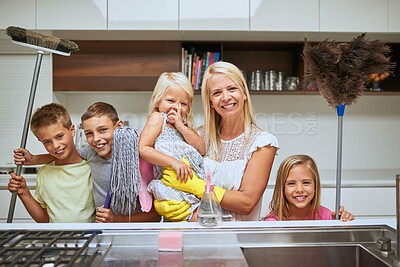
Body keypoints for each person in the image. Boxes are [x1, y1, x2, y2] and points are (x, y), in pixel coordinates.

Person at [158, 61, 279, 221]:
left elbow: (246, 204)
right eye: (216, 93)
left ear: (244, 93)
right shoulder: (196, 137)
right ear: (211, 102)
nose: (226, 97)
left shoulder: (262, 143)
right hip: (195, 236)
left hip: (237, 240)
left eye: (232, 89)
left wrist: (199, 187)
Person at [13, 102, 160, 223]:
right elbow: (65, 154)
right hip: (102, 236)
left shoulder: (139, 159)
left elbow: (154, 216)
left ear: (119, 126)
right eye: (89, 133)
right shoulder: (91, 154)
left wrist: (116, 219)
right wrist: (34, 159)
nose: (96, 139)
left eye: (102, 130)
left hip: (134, 233)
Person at [8, 103, 95, 223]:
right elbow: (44, 220)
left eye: (59, 136)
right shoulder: (44, 173)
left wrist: (34, 159)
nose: (55, 146)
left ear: (72, 130)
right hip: (56, 239)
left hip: (90, 239)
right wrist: (24, 193)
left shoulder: (93, 167)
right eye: (47, 142)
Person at [139, 72, 206, 221]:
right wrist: (173, 162)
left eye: (183, 104)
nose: (176, 107)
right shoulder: (158, 118)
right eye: (170, 101)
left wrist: (181, 126)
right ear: (158, 101)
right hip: (171, 188)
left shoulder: (185, 127)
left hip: (192, 187)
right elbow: (143, 148)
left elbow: (201, 149)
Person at [263, 154, 354, 222]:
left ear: (315, 186)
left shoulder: (326, 216)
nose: (299, 189)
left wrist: (341, 223)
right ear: (282, 188)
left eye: (306, 183)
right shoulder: (272, 223)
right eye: (291, 183)